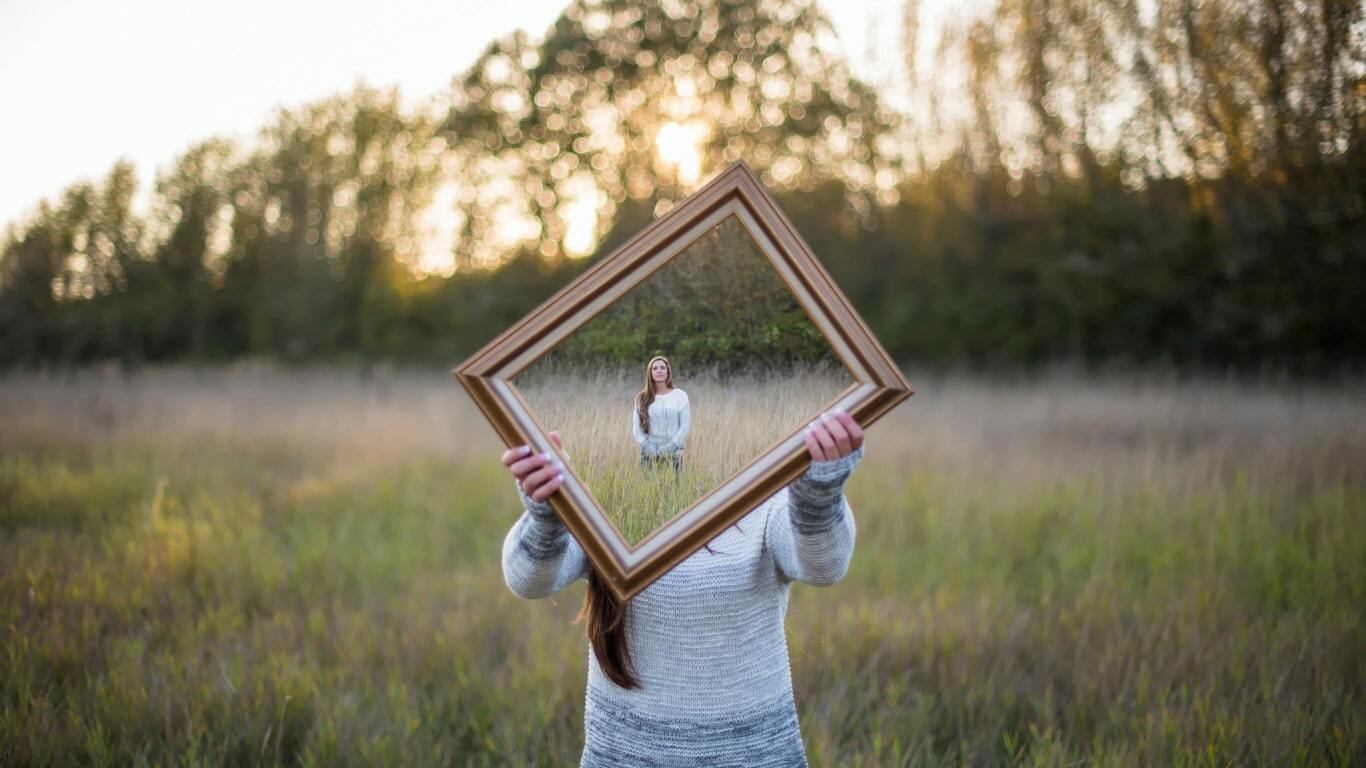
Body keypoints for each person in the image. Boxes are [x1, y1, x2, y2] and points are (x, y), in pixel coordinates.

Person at [500, 408, 866, 767]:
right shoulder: (610, 493)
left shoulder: (766, 488)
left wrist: (819, 494)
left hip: (755, 754)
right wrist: (547, 514)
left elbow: (824, 566)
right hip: (622, 755)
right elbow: (529, 578)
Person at [631, 355, 690, 478]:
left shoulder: (680, 396)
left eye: (663, 367)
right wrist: (648, 448)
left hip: (674, 456)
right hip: (648, 456)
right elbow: (636, 429)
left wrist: (668, 448)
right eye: (655, 368)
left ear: (668, 372)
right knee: (649, 494)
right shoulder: (642, 398)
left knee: (673, 495)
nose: (659, 370)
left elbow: (685, 426)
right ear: (650, 373)